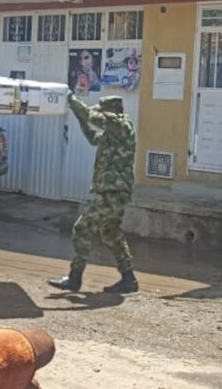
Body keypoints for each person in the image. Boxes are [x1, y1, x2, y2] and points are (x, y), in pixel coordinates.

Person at [48, 94, 139, 294]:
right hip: (113, 191)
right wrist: (79, 116)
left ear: (112, 110)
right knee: (111, 233)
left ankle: (74, 278)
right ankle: (129, 278)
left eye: (102, 110)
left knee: (82, 228)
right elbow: (92, 137)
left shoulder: (121, 125)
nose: (99, 112)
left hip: (113, 192)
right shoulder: (113, 132)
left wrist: (71, 100)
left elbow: (90, 116)